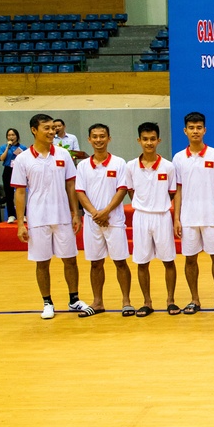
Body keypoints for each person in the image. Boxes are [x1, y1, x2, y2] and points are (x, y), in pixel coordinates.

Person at [11, 113, 90, 319]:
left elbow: (71, 185)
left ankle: (74, 299)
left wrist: (76, 212)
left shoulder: (63, 155)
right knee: (42, 262)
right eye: (46, 128)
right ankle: (47, 302)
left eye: (53, 128)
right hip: (37, 218)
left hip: (63, 215)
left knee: (70, 260)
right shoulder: (22, 159)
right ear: (34, 130)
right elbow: (19, 192)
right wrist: (21, 224)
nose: (51, 131)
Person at [173, 112, 214, 315]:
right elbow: (178, 189)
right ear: (185, 131)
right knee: (190, 259)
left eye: (199, 127)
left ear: (204, 130)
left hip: (211, 217)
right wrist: (177, 218)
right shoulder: (179, 158)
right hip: (188, 218)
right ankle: (194, 299)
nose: (195, 131)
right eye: (191, 127)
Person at [74, 123, 133, 317]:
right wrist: (95, 214)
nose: (99, 140)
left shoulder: (119, 163)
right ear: (89, 140)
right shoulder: (82, 166)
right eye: (95, 136)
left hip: (114, 220)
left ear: (109, 138)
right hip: (93, 222)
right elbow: (80, 192)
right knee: (95, 263)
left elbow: (122, 189)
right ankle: (97, 302)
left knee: (120, 262)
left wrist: (106, 211)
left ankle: (126, 302)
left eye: (102, 136)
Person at [124, 122, 179, 316]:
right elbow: (131, 191)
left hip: (162, 216)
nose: (149, 143)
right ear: (139, 140)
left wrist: (158, 205)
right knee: (142, 261)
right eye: (145, 139)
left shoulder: (168, 167)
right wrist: (144, 205)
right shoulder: (130, 166)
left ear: (159, 140)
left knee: (168, 260)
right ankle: (147, 302)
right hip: (140, 217)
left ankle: (171, 301)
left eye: (152, 139)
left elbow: (172, 193)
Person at [0, 128, 26, 223]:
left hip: (19, 170)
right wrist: (7, 148)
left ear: (17, 136)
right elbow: (1, 158)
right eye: (9, 135)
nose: (11, 137)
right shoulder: (3, 147)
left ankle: (23, 215)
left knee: (21, 192)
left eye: (13, 135)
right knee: (9, 194)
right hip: (8, 170)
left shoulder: (23, 147)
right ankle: (11, 215)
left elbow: (27, 160)